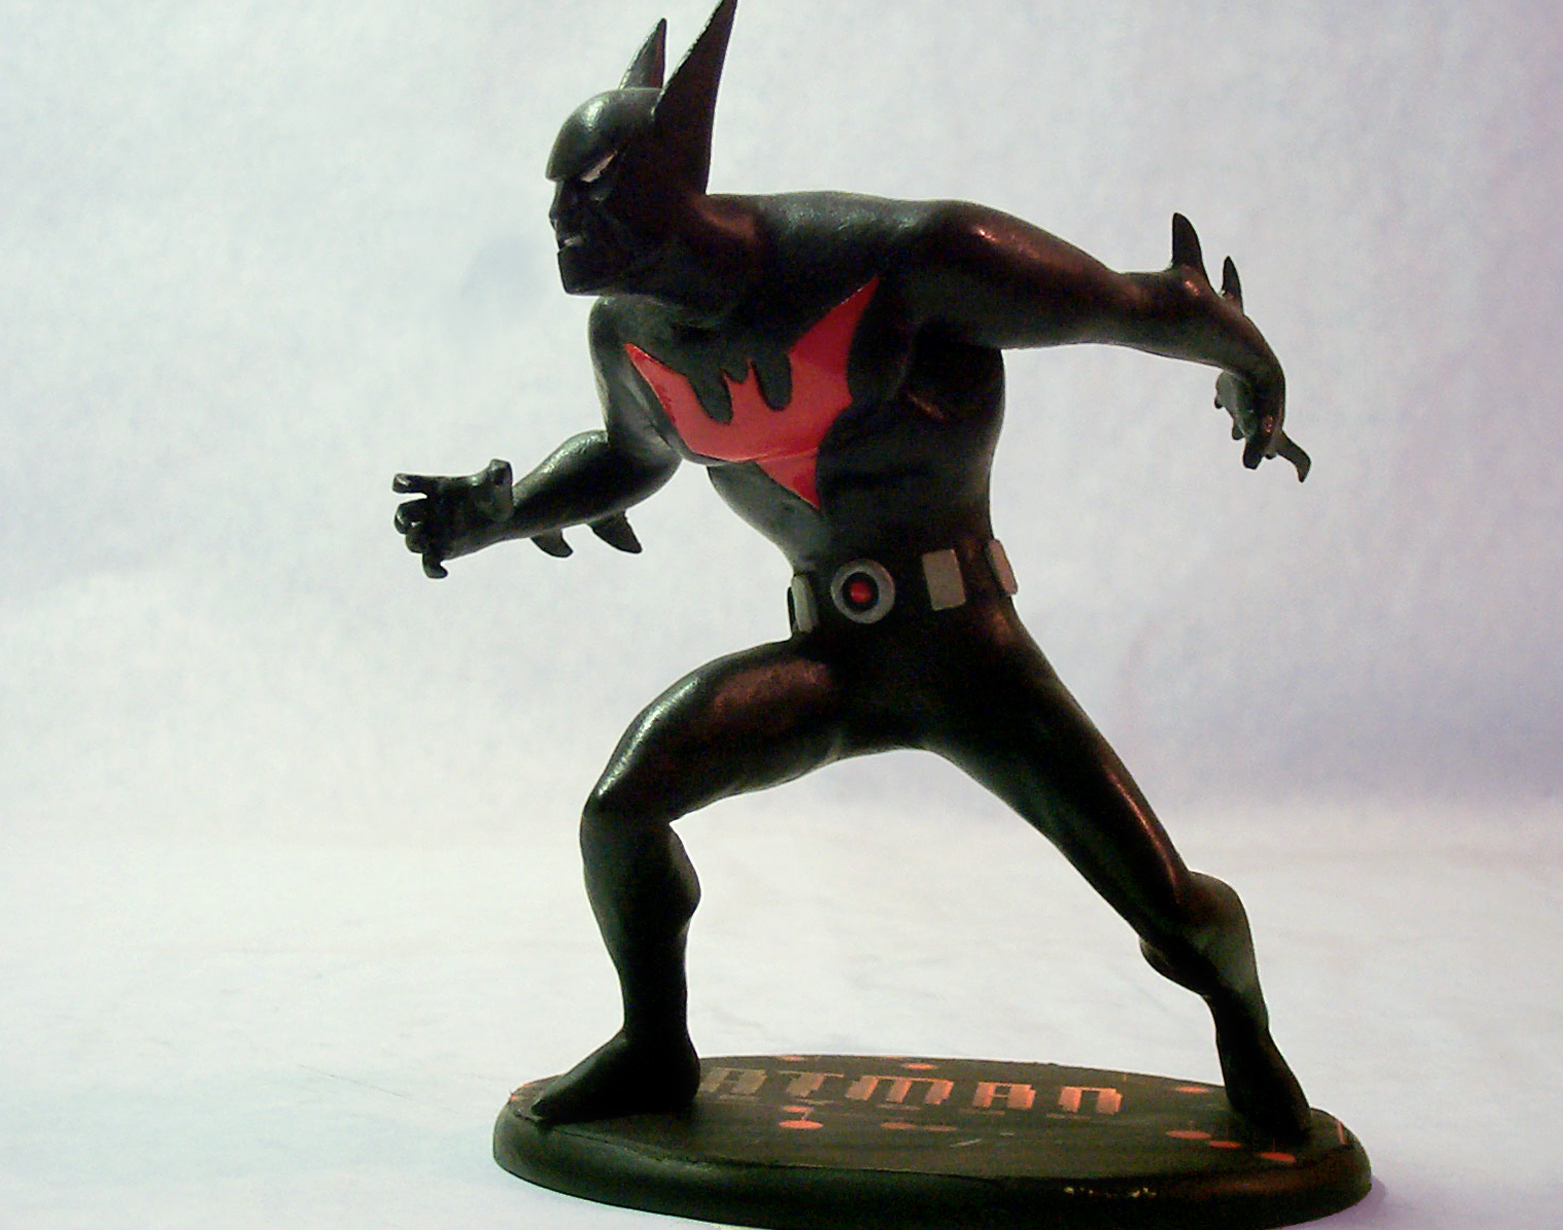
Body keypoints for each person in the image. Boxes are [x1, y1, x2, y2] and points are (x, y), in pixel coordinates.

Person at [394, 0, 1314, 1137]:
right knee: (621, 813)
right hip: (831, 660)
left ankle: (1246, 1031)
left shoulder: (901, 260)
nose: (560, 221)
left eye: (589, 194)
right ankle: (653, 1046)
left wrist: (1251, 372)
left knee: (1171, 910)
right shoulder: (631, 334)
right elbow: (635, 456)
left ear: (671, 178)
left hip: (970, 653)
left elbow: (1134, 306)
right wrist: (497, 516)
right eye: (555, 198)